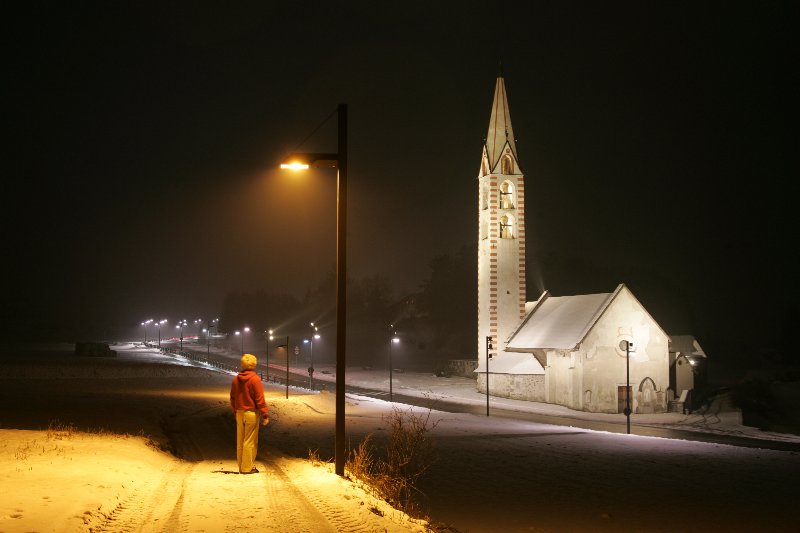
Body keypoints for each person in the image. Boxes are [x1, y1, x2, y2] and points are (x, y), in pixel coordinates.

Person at [229, 353, 269, 474]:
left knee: (240, 440)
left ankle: (241, 466)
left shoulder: (236, 379)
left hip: (239, 413)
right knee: (249, 441)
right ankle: (247, 467)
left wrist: (235, 410)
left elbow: (232, 397)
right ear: (254, 364)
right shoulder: (255, 379)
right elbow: (259, 399)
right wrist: (265, 414)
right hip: (251, 413)